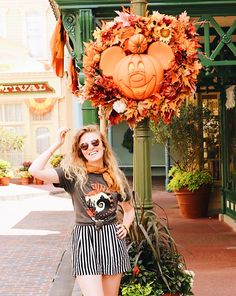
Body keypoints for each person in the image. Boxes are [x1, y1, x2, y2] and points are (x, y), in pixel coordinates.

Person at [29, 125, 135, 296]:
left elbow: (129, 210)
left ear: (103, 145)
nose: (91, 148)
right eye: (84, 146)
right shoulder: (72, 175)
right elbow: (35, 170)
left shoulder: (116, 175)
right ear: (80, 152)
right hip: (85, 239)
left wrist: (126, 226)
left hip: (112, 238)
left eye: (94, 143)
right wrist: (57, 144)